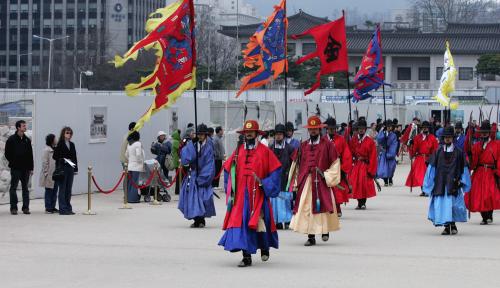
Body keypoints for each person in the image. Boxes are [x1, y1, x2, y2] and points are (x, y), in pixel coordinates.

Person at [219, 120, 282, 267]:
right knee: (240, 223)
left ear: (256, 134)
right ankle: (246, 256)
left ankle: (264, 247)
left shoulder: (265, 151)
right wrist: (231, 189)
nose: (248, 135)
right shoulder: (238, 151)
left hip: (258, 193)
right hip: (241, 196)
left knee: (261, 223)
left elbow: (276, 171)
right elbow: (229, 169)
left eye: (251, 132)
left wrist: (263, 183)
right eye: (246, 133)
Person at [289, 116, 341, 246]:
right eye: (311, 129)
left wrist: (326, 175)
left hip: (322, 181)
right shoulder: (303, 146)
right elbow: (296, 164)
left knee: (324, 206)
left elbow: (335, 163)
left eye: (315, 129)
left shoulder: (328, 145)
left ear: (319, 129)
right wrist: (295, 181)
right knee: (306, 208)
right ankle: (310, 236)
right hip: (307, 182)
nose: (313, 131)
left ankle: (325, 230)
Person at [423, 126, 471, 235]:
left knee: (453, 205)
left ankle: (453, 225)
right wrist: (429, 184)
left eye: (449, 137)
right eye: (445, 137)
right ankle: (446, 226)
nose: (447, 139)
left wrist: (463, 181)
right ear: (443, 138)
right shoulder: (438, 151)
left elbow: (464, 168)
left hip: (454, 183)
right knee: (443, 205)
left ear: (452, 138)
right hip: (441, 182)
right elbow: (431, 169)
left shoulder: (459, 152)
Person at [178, 124, 216, 228]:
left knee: (202, 198)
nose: (200, 136)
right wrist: (190, 144)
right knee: (191, 198)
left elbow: (210, 163)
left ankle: (201, 220)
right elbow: (186, 159)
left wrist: (204, 177)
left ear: (206, 135)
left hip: (203, 174)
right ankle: (196, 219)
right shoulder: (193, 144)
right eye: (198, 134)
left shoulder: (209, 146)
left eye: (202, 134)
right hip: (193, 174)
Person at [466, 120, 500, 225]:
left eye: (486, 132)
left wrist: (497, 171)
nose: (484, 134)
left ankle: (489, 214)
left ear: (489, 133)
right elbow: (473, 161)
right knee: (478, 194)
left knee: (489, 195)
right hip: (479, 172)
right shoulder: (477, 145)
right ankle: (484, 217)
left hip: (490, 172)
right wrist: (471, 154)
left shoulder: (496, 145)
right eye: (482, 132)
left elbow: (499, 159)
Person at [324, 117, 352, 217]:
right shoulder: (323, 140)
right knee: (326, 189)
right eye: (330, 129)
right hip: (326, 167)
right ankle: (328, 208)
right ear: (326, 129)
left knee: (337, 190)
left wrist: (343, 167)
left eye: (333, 129)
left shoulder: (341, 139)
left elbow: (346, 154)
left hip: (337, 167)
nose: (332, 130)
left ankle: (338, 207)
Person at [5, 120, 34, 215]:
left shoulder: (27, 140)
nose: (25, 127)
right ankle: (13, 208)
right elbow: (7, 154)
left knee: (25, 188)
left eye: (25, 125)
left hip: (25, 169)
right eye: (23, 126)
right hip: (16, 168)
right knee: (13, 187)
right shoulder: (11, 139)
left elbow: (30, 155)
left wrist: (31, 168)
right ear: (18, 127)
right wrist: (13, 162)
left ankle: (25, 208)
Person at [269, 124, 295, 229]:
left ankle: (288, 220)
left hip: (286, 177)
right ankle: (277, 221)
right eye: (276, 134)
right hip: (274, 178)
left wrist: (291, 174)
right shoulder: (270, 148)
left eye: (280, 134)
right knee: (274, 201)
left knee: (286, 200)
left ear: (283, 135)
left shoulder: (290, 148)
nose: (278, 136)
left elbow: (294, 163)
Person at [349, 119, 378, 210]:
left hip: (365, 165)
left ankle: (363, 202)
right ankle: (359, 202)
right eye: (359, 128)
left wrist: (371, 170)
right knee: (355, 184)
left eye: (363, 128)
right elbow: (350, 152)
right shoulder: (354, 140)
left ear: (365, 129)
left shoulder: (370, 141)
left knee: (363, 184)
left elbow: (373, 157)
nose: (361, 130)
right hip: (357, 164)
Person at [406, 121, 439, 196]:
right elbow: (414, 149)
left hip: (429, 158)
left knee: (429, 175)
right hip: (420, 158)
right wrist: (411, 144)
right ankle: (423, 190)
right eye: (424, 128)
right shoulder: (417, 137)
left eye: (426, 128)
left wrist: (434, 158)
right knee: (421, 175)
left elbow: (435, 149)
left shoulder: (432, 138)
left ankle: (428, 190)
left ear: (428, 128)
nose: (425, 129)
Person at [53, 127, 78, 215]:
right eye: (67, 133)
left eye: (70, 133)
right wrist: (63, 159)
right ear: (63, 133)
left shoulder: (72, 144)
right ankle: (62, 209)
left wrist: (75, 169)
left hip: (70, 168)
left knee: (68, 189)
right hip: (62, 168)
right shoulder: (59, 144)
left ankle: (68, 208)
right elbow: (55, 156)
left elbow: (74, 157)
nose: (69, 134)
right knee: (62, 189)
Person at [39, 134, 58, 214]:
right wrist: (46, 173)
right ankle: (48, 208)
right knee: (49, 191)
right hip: (49, 174)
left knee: (55, 191)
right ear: (51, 140)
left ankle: (53, 207)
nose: (56, 140)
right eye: (55, 138)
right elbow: (44, 162)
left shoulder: (55, 149)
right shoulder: (47, 150)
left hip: (56, 174)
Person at [376, 120, 398, 187]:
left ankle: (390, 179)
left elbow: (394, 144)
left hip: (391, 151)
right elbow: (379, 139)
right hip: (384, 152)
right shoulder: (383, 133)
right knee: (384, 167)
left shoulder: (393, 135)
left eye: (390, 126)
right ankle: (385, 180)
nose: (389, 127)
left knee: (391, 167)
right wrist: (383, 135)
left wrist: (391, 152)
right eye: (388, 126)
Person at [125, 131, 144, 203]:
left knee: (130, 183)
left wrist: (130, 160)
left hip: (130, 166)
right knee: (135, 183)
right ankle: (133, 199)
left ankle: (128, 198)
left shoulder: (129, 144)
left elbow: (126, 154)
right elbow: (138, 154)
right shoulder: (138, 144)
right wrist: (140, 161)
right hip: (136, 166)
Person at [171, 129, 181, 195]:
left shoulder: (174, 141)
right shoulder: (176, 142)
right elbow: (180, 149)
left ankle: (177, 190)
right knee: (178, 177)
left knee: (178, 176)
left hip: (175, 160)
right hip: (177, 161)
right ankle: (178, 190)